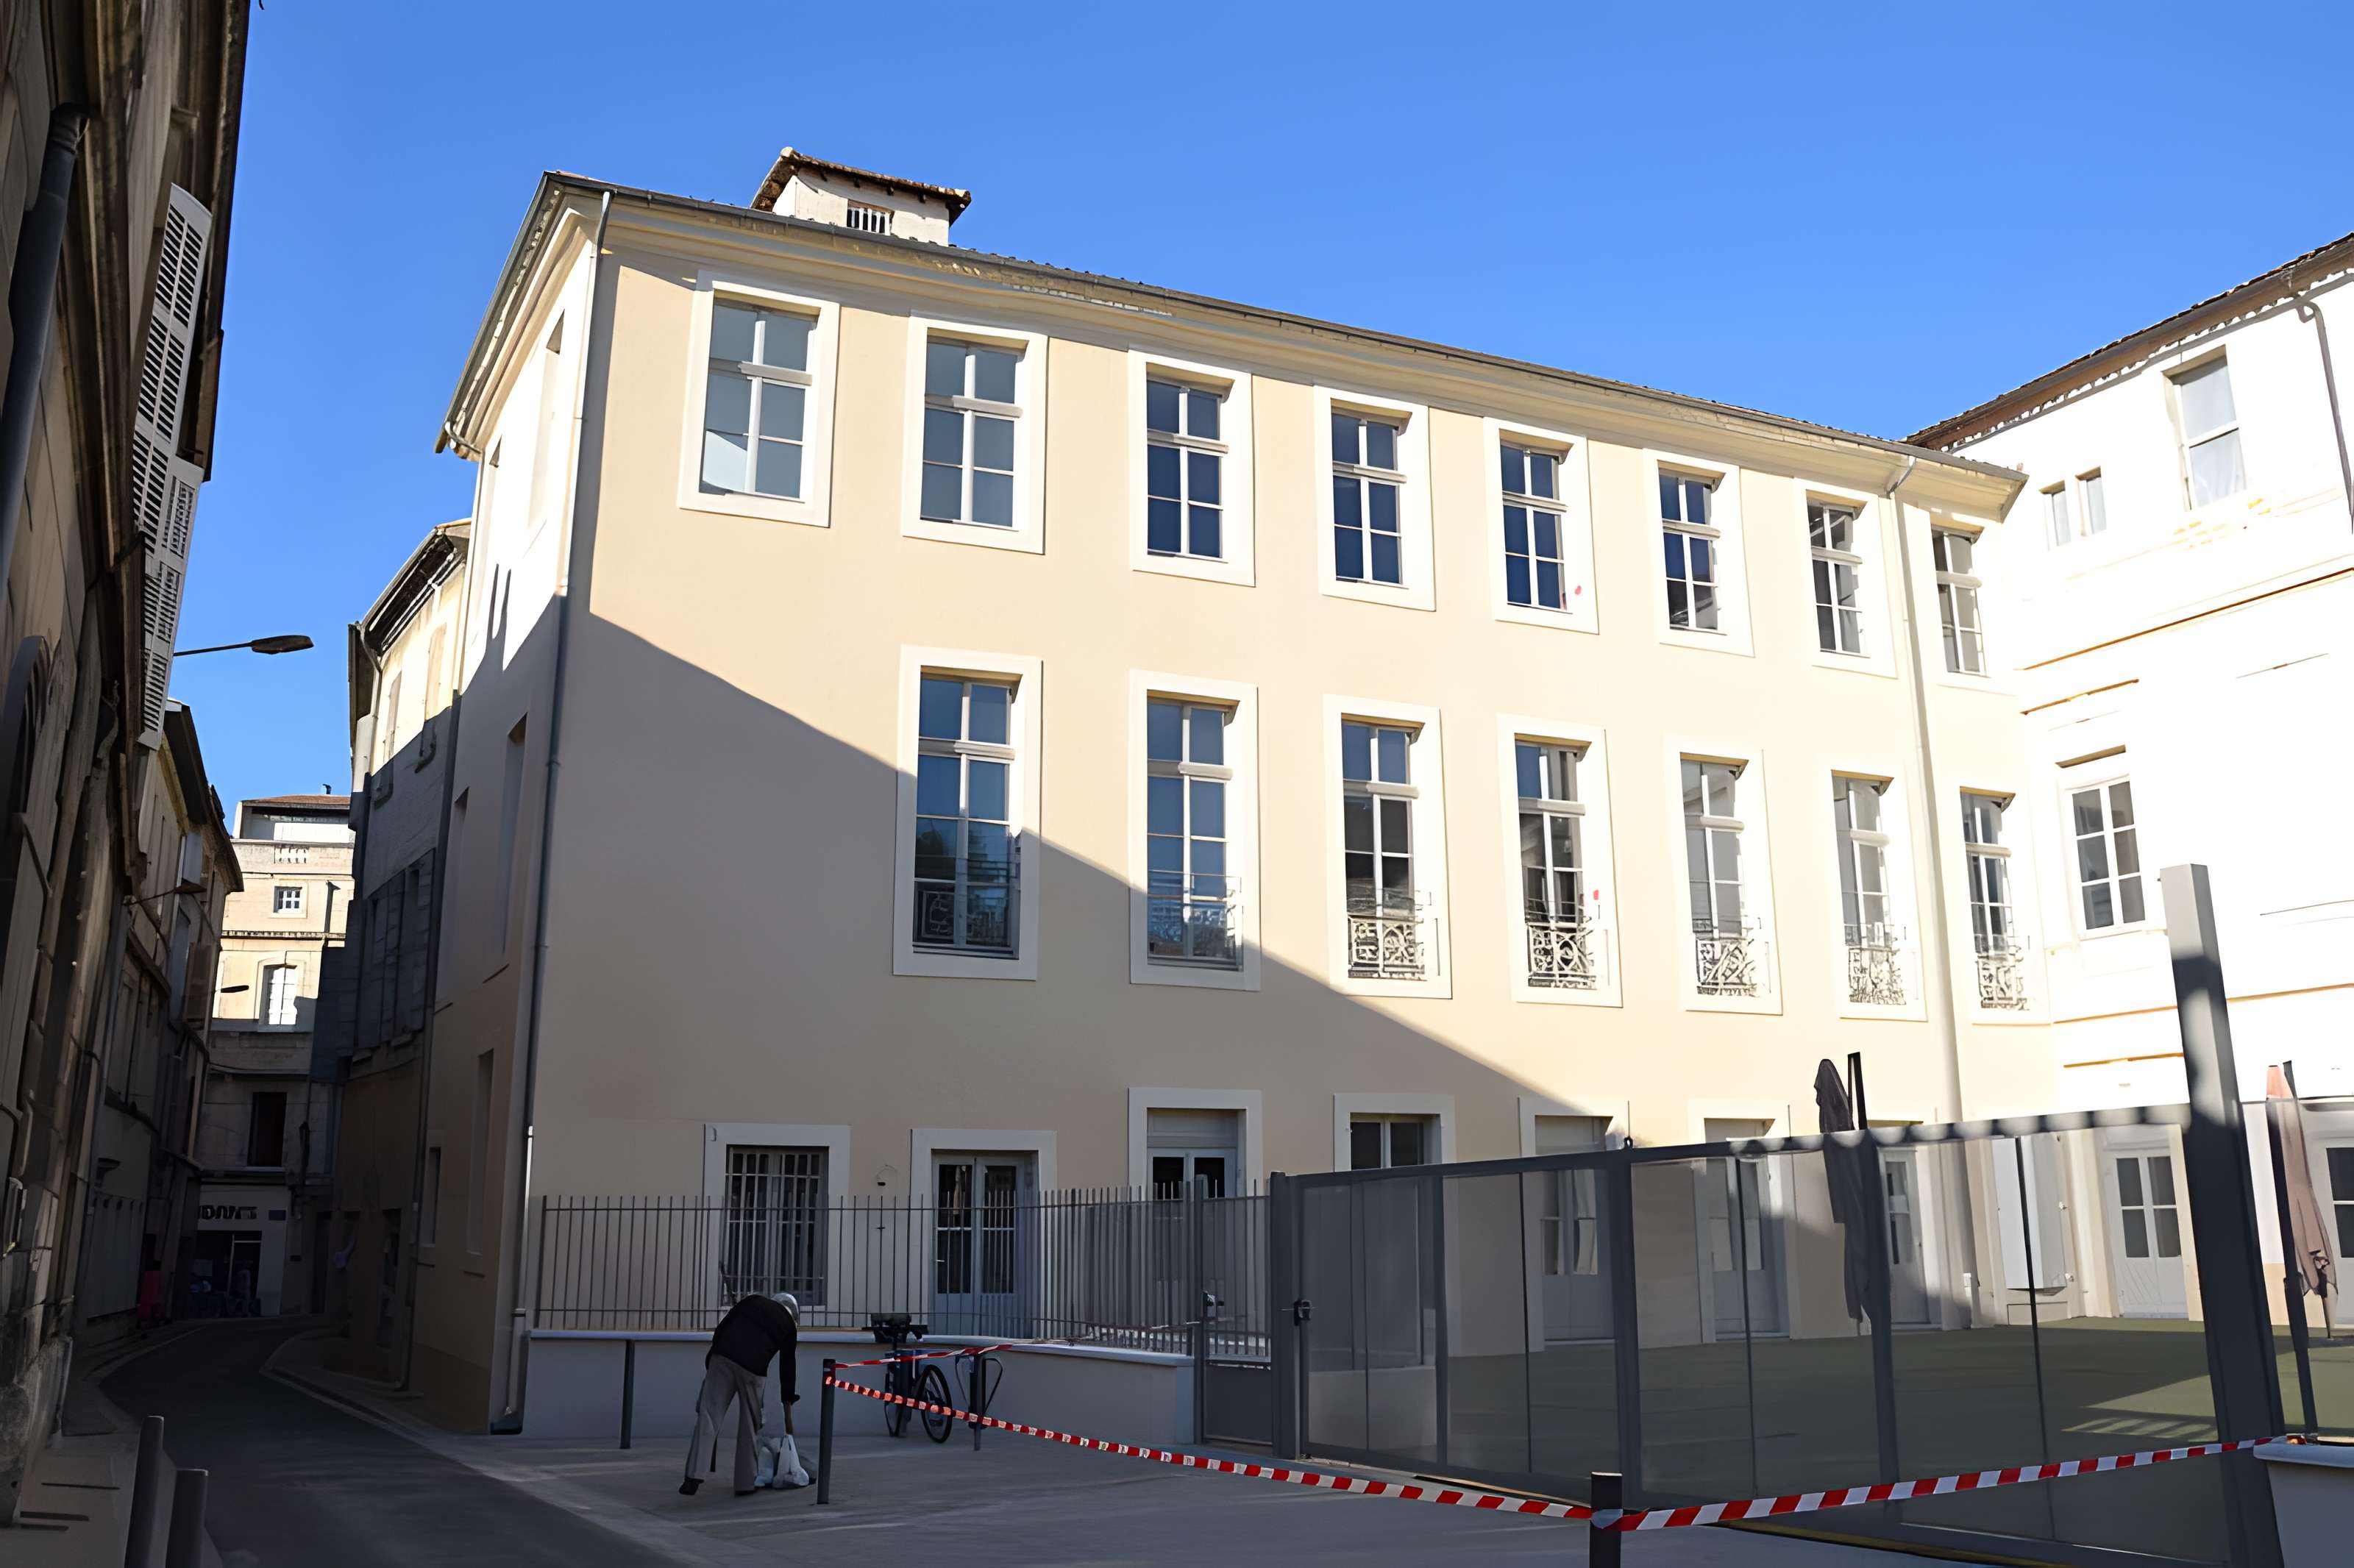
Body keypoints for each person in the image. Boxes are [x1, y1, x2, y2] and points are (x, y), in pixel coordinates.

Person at [681, 1290, 798, 1497]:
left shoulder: (752, 1301)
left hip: (723, 1356)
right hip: (753, 1369)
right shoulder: (788, 1325)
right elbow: (787, 1368)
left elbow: (723, 1328)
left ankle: (693, 1475)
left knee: (708, 1416)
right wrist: (787, 1404)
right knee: (749, 1424)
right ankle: (745, 1483)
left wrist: (712, 1361)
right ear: (793, 1314)